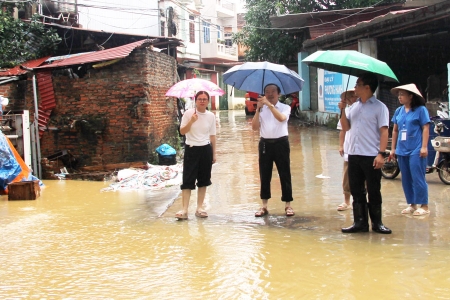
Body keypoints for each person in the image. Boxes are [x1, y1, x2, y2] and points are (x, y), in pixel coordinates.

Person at [338, 73, 392, 234]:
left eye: (357, 84)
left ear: (367, 87)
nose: (355, 88)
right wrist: (341, 111)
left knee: (374, 189)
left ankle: (377, 223)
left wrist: (381, 154)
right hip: (354, 154)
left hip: (371, 155)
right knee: (356, 190)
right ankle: (360, 222)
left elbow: (384, 132)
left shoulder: (380, 107)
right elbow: (346, 127)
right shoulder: (353, 107)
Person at [252, 84, 295, 217]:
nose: (270, 94)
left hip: (281, 143)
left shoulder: (285, 107)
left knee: (285, 173)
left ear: (279, 94)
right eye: (267, 92)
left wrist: (269, 106)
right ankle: (264, 205)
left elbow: (281, 118)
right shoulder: (261, 108)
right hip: (265, 143)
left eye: (273, 91)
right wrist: (258, 110)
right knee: (264, 175)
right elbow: (254, 128)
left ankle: (288, 205)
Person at [389, 84, 430, 216]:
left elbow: (425, 128)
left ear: (411, 96)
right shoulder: (399, 111)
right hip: (402, 149)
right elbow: (395, 130)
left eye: (402, 94)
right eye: (399, 95)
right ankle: (412, 204)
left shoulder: (421, 110)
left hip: (416, 148)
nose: (399, 97)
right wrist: (393, 148)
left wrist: (424, 147)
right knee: (405, 178)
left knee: (417, 176)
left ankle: (424, 205)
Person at [175, 91, 216, 220]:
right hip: (191, 149)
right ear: (195, 100)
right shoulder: (188, 114)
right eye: (199, 99)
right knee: (187, 180)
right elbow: (182, 132)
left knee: (203, 180)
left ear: (208, 101)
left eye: (204, 99)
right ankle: (184, 210)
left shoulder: (211, 116)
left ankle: (199, 208)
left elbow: (213, 136)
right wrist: (191, 121)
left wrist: (214, 154)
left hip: (205, 150)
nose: (202, 101)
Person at [336, 89, 358, 211]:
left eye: (354, 96)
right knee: (347, 176)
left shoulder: (362, 109)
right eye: (350, 96)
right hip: (349, 149)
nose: (353, 98)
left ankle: (358, 201)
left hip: (361, 150)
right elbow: (342, 130)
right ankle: (346, 201)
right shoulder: (347, 111)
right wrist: (341, 145)